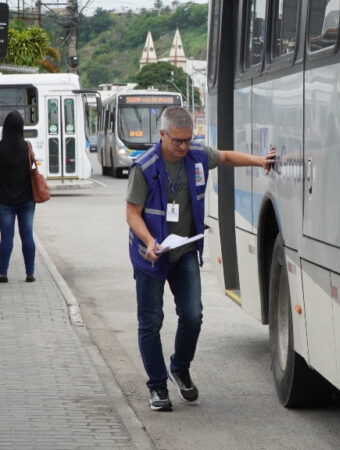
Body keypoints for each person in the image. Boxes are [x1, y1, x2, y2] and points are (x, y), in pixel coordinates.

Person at [126, 106, 276, 411]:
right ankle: (157, 387)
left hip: (184, 251)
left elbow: (227, 157)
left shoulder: (196, 156)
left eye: (188, 140)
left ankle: (180, 367)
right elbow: (132, 213)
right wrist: (150, 241)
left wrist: (259, 161)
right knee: (151, 322)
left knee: (193, 314)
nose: (183, 147)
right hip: (151, 255)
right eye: (177, 141)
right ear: (162, 135)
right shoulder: (145, 167)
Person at [0, 111, 36, 283]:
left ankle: (2, 273)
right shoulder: (27, 147)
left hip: (4, 201)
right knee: (27, 235)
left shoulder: (0, 148)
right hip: (27, 200)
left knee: (6, 237)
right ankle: (30, 273)